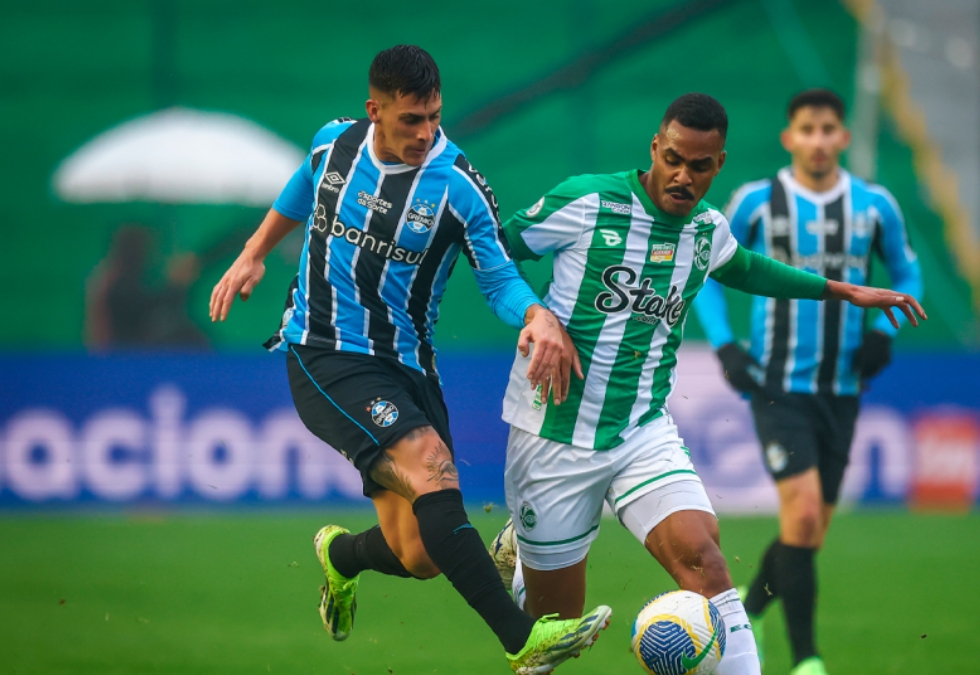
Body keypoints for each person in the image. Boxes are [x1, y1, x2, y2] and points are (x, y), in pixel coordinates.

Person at [487, 93, 924, 675]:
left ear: (718, 165)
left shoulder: (706, 229)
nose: (682, 176)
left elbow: (745, 267)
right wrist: (534, 314)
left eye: (699, 166)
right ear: (655, 149)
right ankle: (524, 569)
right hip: (553, 432)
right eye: (673, 158)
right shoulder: (588, 201)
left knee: (705, 558)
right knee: (552, 633)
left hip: (641, 430)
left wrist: (844, 290)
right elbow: (493, 249)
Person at [208, 45, 609, 675]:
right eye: (410, 120)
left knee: (420, 554)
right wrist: (256, 250)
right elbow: (301, 185)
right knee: (430, 466)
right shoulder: (333, 146)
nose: (426, 133)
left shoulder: (458, 187)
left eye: (434, 118)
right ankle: (521, 640)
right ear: (375, 111)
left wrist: (535, 315)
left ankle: (343, 559)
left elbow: (499, 279)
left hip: (407, 364)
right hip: (323, 349)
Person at [691, 89, 924, 675]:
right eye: (807, 129)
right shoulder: (756, 201)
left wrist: (884, 333)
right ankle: (808, 660)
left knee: (809, 530)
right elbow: (707, 270)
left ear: (842, 138)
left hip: (842, 389)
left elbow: (907, 267)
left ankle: (748, 611)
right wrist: (724, 345)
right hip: (777, 387)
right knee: (801, 516)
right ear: (788, 138)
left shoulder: (874, 206)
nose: (818, 140)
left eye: (828, 130)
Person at [86, 224, 207, 350]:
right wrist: (175, 286)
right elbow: (145, 312)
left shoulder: (115, 281)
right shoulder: (115, 285)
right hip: (124, 355)